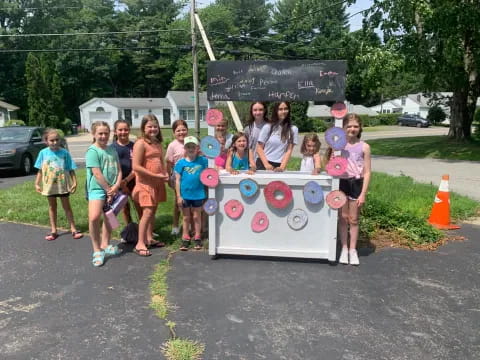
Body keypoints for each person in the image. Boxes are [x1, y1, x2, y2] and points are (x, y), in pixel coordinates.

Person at [331, 113, 371, 266]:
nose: (352, 129)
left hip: (356, 184)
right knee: (343, 218)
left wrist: (363, 193)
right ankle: (344, 248)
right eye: (349, 126)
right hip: (341, 183)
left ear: (360, 128)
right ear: (343, 128)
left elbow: (367, 172)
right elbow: (331, 164)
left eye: (355, 126)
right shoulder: (338, 146)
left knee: (353, 219)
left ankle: (353, 250)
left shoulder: (365, 147)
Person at [34, 128, 83, 241]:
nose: (55, 142)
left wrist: (74, 182)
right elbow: (40, 170)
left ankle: (73, 228)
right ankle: (53, 230)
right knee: (52, 207)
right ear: (46, 141)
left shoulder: (65, 153)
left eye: (57, 140)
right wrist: (37, 183)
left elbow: (71, 169)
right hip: (49, 186)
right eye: (52, 140)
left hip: (63, 186)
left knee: (67, 207)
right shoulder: (43, 153)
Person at [85, 121, 122, 267]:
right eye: (100, 133)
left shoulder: (112, 149)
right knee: (94, 218)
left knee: (109, 217)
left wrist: (117, 185)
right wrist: (108, 190)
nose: (103, 136)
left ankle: (106, 244)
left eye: (106, 133)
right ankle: (97, 249)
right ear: (94, 134)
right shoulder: (92, 151)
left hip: (112, 188)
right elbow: (96, 172)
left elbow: (119, 169)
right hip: (98, 189)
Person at [132, 114, 168, 256]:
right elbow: (136, 166)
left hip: (157, 183)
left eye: (155, 126)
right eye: (149, 126)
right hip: (145, 183)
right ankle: (139, 243)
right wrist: (155, 175)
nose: (153, 129)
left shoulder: (157, 143)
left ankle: (149, 238)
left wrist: (164, 174)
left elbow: (161, 162)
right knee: (146, 213)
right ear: (143, 128)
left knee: (152, 212)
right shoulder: (141, 143)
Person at [174, 136, 208, 251]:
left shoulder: (203, 161)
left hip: (198, 194)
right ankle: (185, 237)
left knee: (196, 216)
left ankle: (197, 236)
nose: (191, 149)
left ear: (197, 148)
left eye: (193, 146)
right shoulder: (180, 163)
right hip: (185, 195)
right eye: (188, 146)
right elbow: (177, 180)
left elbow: (212, 167)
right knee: (186, 217)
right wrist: (178, 196)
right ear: (185, 148)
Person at [110, 119, 140, 225]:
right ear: (115, 131)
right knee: (125, 208)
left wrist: (127, 181)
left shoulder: (135, 146)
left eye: (126, 129)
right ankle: (129, 229)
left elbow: (137, 167)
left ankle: (144, 230)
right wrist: (121, 184)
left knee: (139, 206)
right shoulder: (111, 148)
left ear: (129, 130)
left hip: (134, 181)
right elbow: (111, 169)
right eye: (120, 130)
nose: (123, 132)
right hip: (118, 183)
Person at [256, 101, 298, 171]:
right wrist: (266, 165)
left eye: (286, 109)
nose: (283, 111)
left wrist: (282, 167)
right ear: (276, 111)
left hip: (279, 166)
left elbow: (289, 150)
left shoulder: (293, 129)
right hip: (263, 164)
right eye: (280, 109)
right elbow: (259, 148)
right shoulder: (268, 127)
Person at [165, 119, 188, 236]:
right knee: (178, 201)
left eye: (183, 129)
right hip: (177, 178)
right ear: (174, 133)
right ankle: (175, 225)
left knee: (191, 200)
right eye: (178, 130)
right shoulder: (172, 145)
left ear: (187, 130)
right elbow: (169, 163)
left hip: (191, 177)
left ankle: (190, 224)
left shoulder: (192, 142)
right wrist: (168, 177)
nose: (181, 132)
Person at [243, 101, 268, 172]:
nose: (258, 112)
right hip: (253, 165)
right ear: (251, 111)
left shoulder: (271, 127)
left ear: (265, 110)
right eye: (255, 110)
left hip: (268, 163)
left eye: (260, 110)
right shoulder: (248, 129)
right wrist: (252, 163)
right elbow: (248, 148)